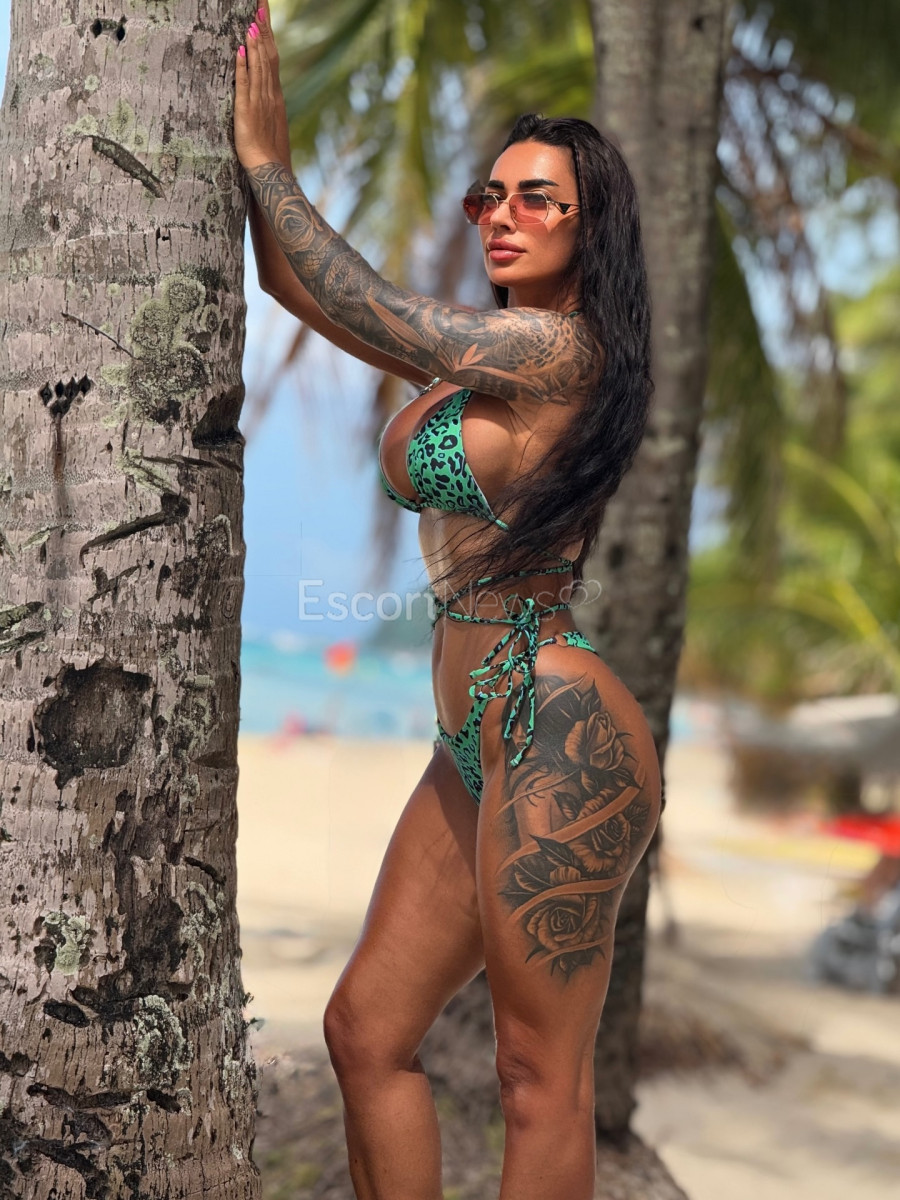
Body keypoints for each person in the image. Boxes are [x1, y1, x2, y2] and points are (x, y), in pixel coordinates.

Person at [235, 8, 662, 1199]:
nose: (501, 216)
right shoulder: (483, 359)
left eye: (538, 200)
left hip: (556, 723)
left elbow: (368, 302)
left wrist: (270, 164)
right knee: (365, 1032)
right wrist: (252, 157)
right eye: (489, 196)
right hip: (469, 739)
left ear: (592, 228)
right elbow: (295, 282)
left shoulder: (563, 356)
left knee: (538, 1081)